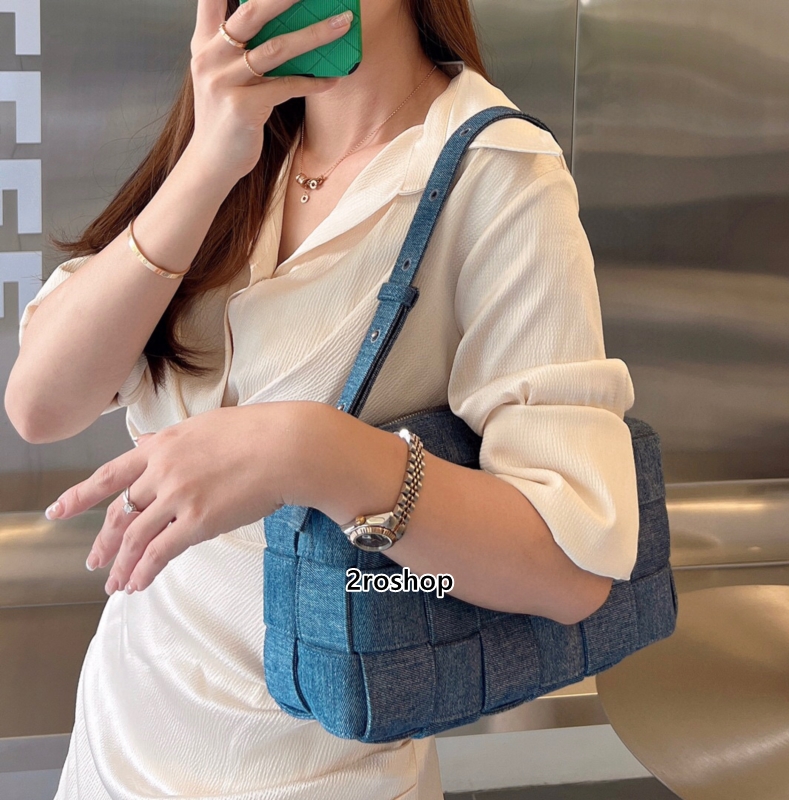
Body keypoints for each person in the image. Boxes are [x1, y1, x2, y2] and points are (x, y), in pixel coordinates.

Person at [4, 0, 641, 797]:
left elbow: (573, 570)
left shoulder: (498, 172)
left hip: (323, 774)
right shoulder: (240, 139)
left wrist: (307, 451)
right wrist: (209, 159)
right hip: (114, 749)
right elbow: (42, 406)